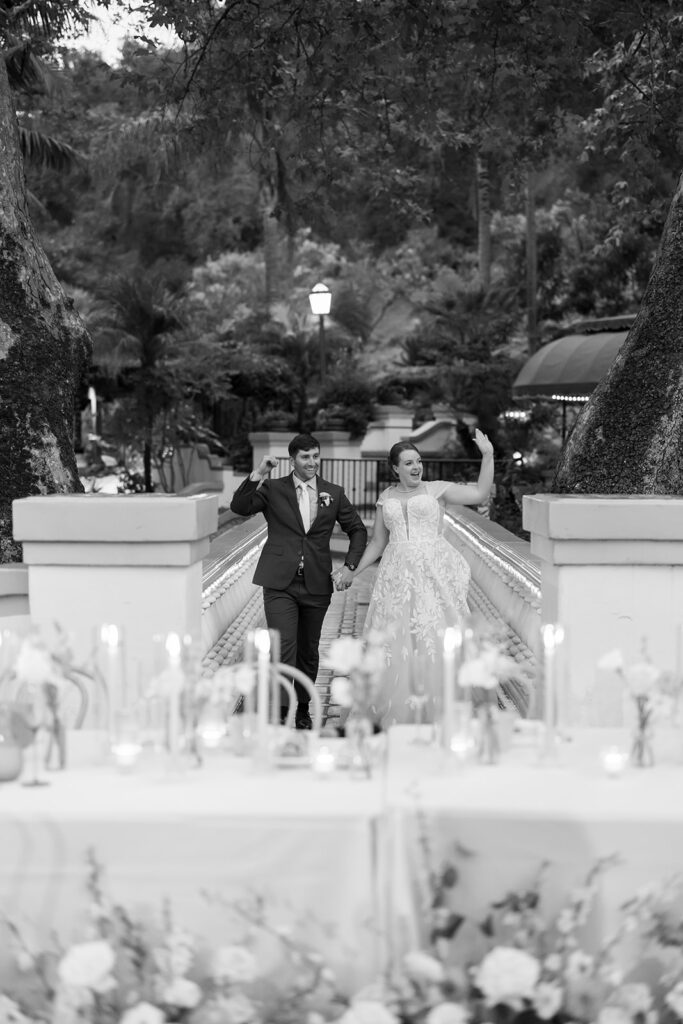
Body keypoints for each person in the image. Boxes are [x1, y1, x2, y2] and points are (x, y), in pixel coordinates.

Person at [335, 430, 494, 726]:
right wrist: (352, 572)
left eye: (418, 461)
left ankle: (443, 707)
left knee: (435, 635)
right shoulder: (386, 498)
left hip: (432, 574)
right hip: (395, 577)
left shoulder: (436, 490)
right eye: (408, 463)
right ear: (395, 468)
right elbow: (378, 543)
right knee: (394, 640)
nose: (416, 467)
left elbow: (479, 494)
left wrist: (487, 455)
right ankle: (395, 707)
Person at [230, 433, 367, 729]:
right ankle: (281, 710)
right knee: (283, 647)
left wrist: (349, 567)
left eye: (316, 456)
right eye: (306, 457)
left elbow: (357, 529)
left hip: (317, 583)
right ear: (293, 460)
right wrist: (259, 474)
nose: (312, 462)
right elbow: (240, 506)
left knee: (308, 649)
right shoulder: (273, 489)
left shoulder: (334, 492)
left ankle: (303, 708)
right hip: (279, 582)